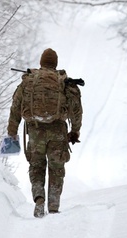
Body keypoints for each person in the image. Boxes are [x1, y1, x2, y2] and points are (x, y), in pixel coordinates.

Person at [6, 48, 83, 218]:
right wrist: (75, 131)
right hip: (58, 132)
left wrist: (12, 132)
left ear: (41, 62)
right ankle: (54, 207)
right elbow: (76, 109)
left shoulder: (28, 82)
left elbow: (15, 108)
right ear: (55, 64)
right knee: (56, 169)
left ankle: (39, 199)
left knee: (37, 167)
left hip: (35, 132)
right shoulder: (64, 82)